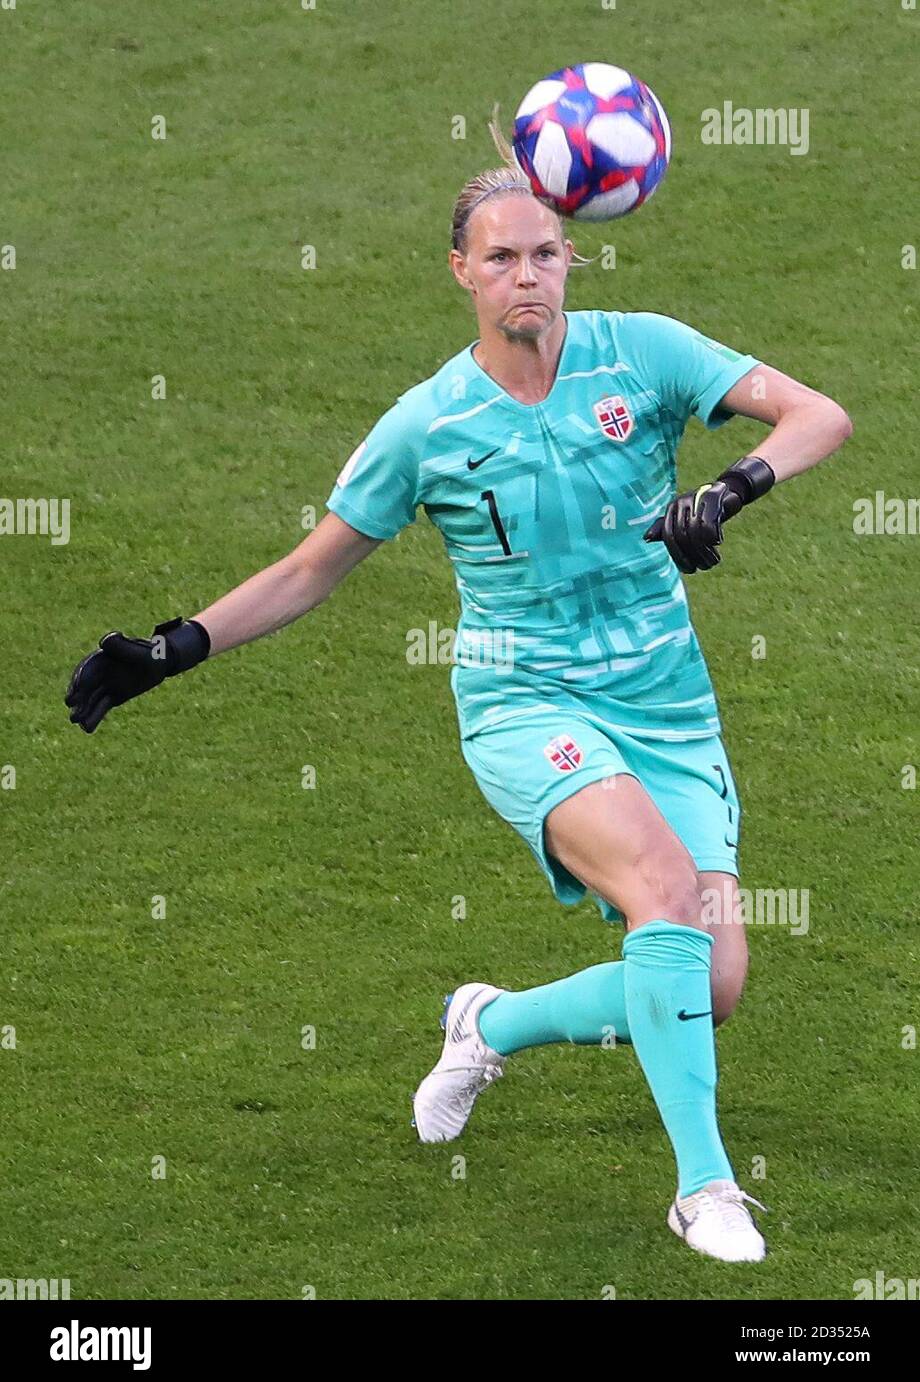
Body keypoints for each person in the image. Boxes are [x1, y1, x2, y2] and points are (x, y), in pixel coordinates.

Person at [65, 165, 852, 1266]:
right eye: (498, 258)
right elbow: (311, 569)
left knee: (708, 983)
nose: (524, 274)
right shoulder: (426, 424)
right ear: (460, 274)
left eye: (542, 252)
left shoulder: (646, 352)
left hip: (664, 702)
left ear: (571, 257)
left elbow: (819, 413)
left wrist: (727, 488)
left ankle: (487, 1023)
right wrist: (174, 646)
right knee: (661, 895)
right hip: (523, 701)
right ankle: (703, 1187)